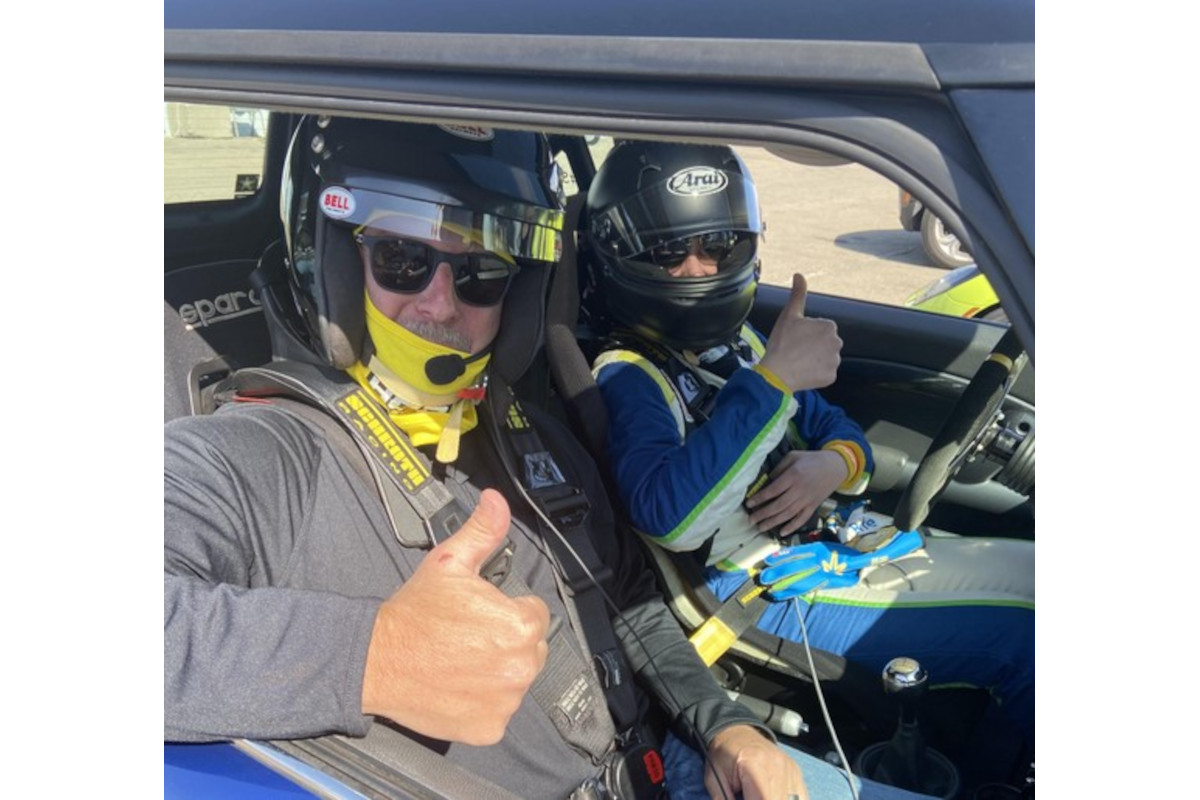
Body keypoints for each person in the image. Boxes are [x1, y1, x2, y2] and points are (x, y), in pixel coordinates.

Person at [164, 117, 938, 800]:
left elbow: (629, 597)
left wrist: (726, 729)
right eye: (402, 259)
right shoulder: (267, 453)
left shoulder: (520, 425)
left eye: (480, 273)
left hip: (665, 762)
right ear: (336, 263)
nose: (440, 303)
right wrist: (373, 656)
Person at [583, 140, 1035, 751]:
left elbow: (842, 433)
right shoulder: (627, 374)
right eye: (668, 253)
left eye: (719, 247)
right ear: (622, 257)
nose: (699, 270)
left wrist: (832, 465)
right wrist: (771, 382)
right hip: (760, 592)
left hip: (831, 545)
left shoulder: (737, 339)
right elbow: (669, 517)